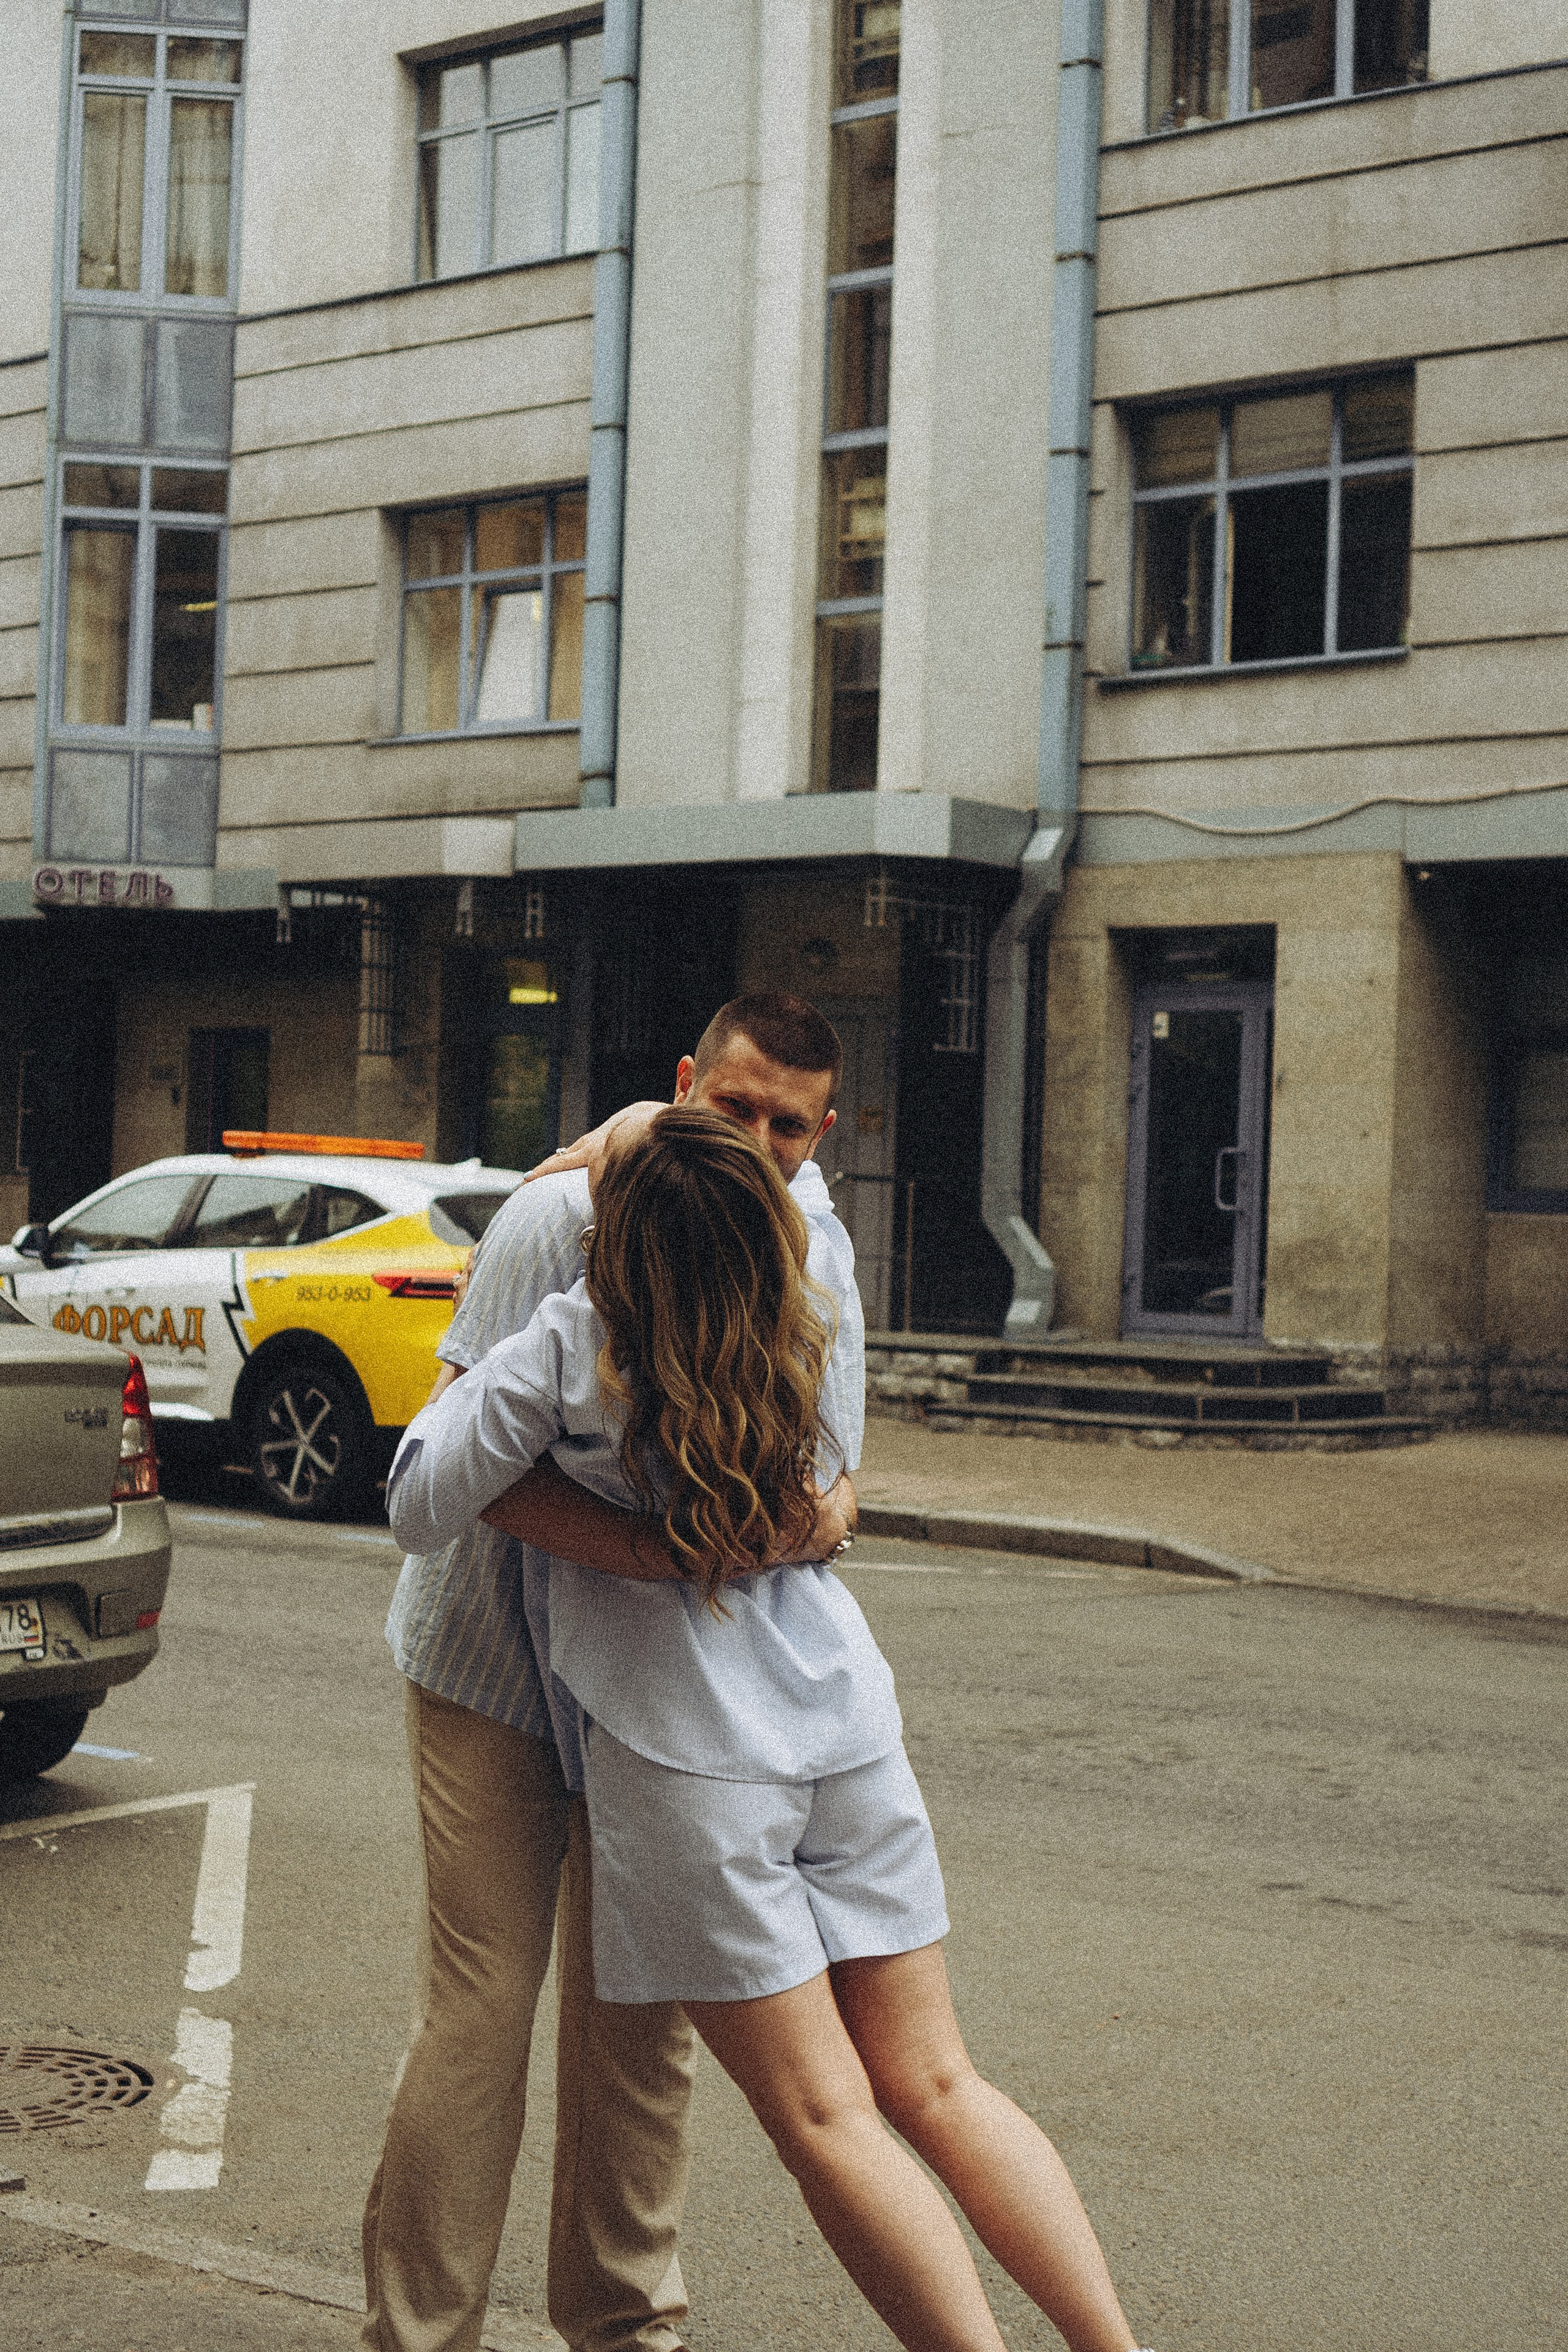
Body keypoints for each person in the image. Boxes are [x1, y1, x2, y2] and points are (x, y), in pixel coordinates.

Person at [388, 1109, 1151, 2352]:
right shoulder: (800, 1320)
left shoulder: (572, 1347)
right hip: (841, 1723)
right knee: (941, 2084)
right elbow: (827, 1500)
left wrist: (524, 1427)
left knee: (827, 2117)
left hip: (693, 1762)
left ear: (613, 1243)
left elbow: (422, 1502)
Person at [361, 994, 861, 2352]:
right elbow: (458, 1471)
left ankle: (624, 2329)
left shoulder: (815, 1248)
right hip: (492, 1669)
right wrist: (662, 1552)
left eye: (788, 1127)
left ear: (826, 1136)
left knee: (642, 2027)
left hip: (658, 1696)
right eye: (734, 1107)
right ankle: (421, 2336)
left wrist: (772, 1533)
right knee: (479, 2014)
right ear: (685, 1081)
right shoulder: (552, 1227)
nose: (756, 1146)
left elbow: (833, 1490)